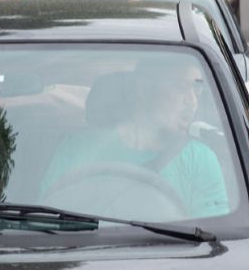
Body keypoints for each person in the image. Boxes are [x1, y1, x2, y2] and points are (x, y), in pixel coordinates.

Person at [42, 57, 229, 219]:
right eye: (180, 87)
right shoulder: (74, 149)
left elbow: (212, 242)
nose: (192, 101)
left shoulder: (200, 160)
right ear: (145, 89)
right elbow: (46, 223)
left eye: (197, 88)